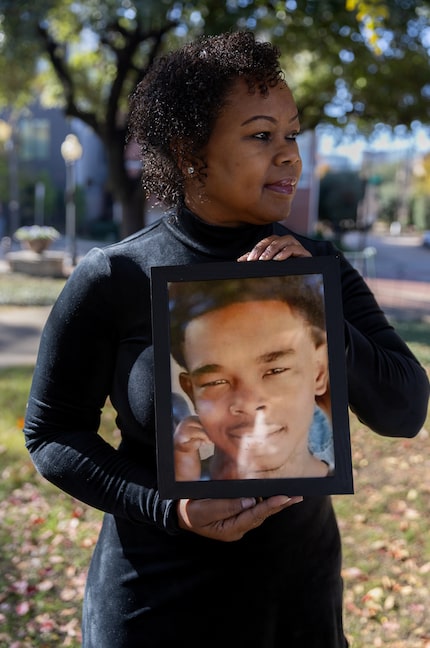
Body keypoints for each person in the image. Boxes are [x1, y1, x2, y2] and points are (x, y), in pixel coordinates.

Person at [23, 30, 429, 648]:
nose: (290, 155)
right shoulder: (115, 276)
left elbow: (405, 410)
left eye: (292, 134)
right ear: (190, 151)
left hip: (295, 610)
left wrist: (315, 314)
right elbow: (51, 434)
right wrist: (170, 507)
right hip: (154, 606)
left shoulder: (322, 267)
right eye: (262, 135)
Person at [169, 274, 333, 481]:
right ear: (192, 392)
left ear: (318, 372)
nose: (248, 403)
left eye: (275, 371)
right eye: (215, 382)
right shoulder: (188, 475)